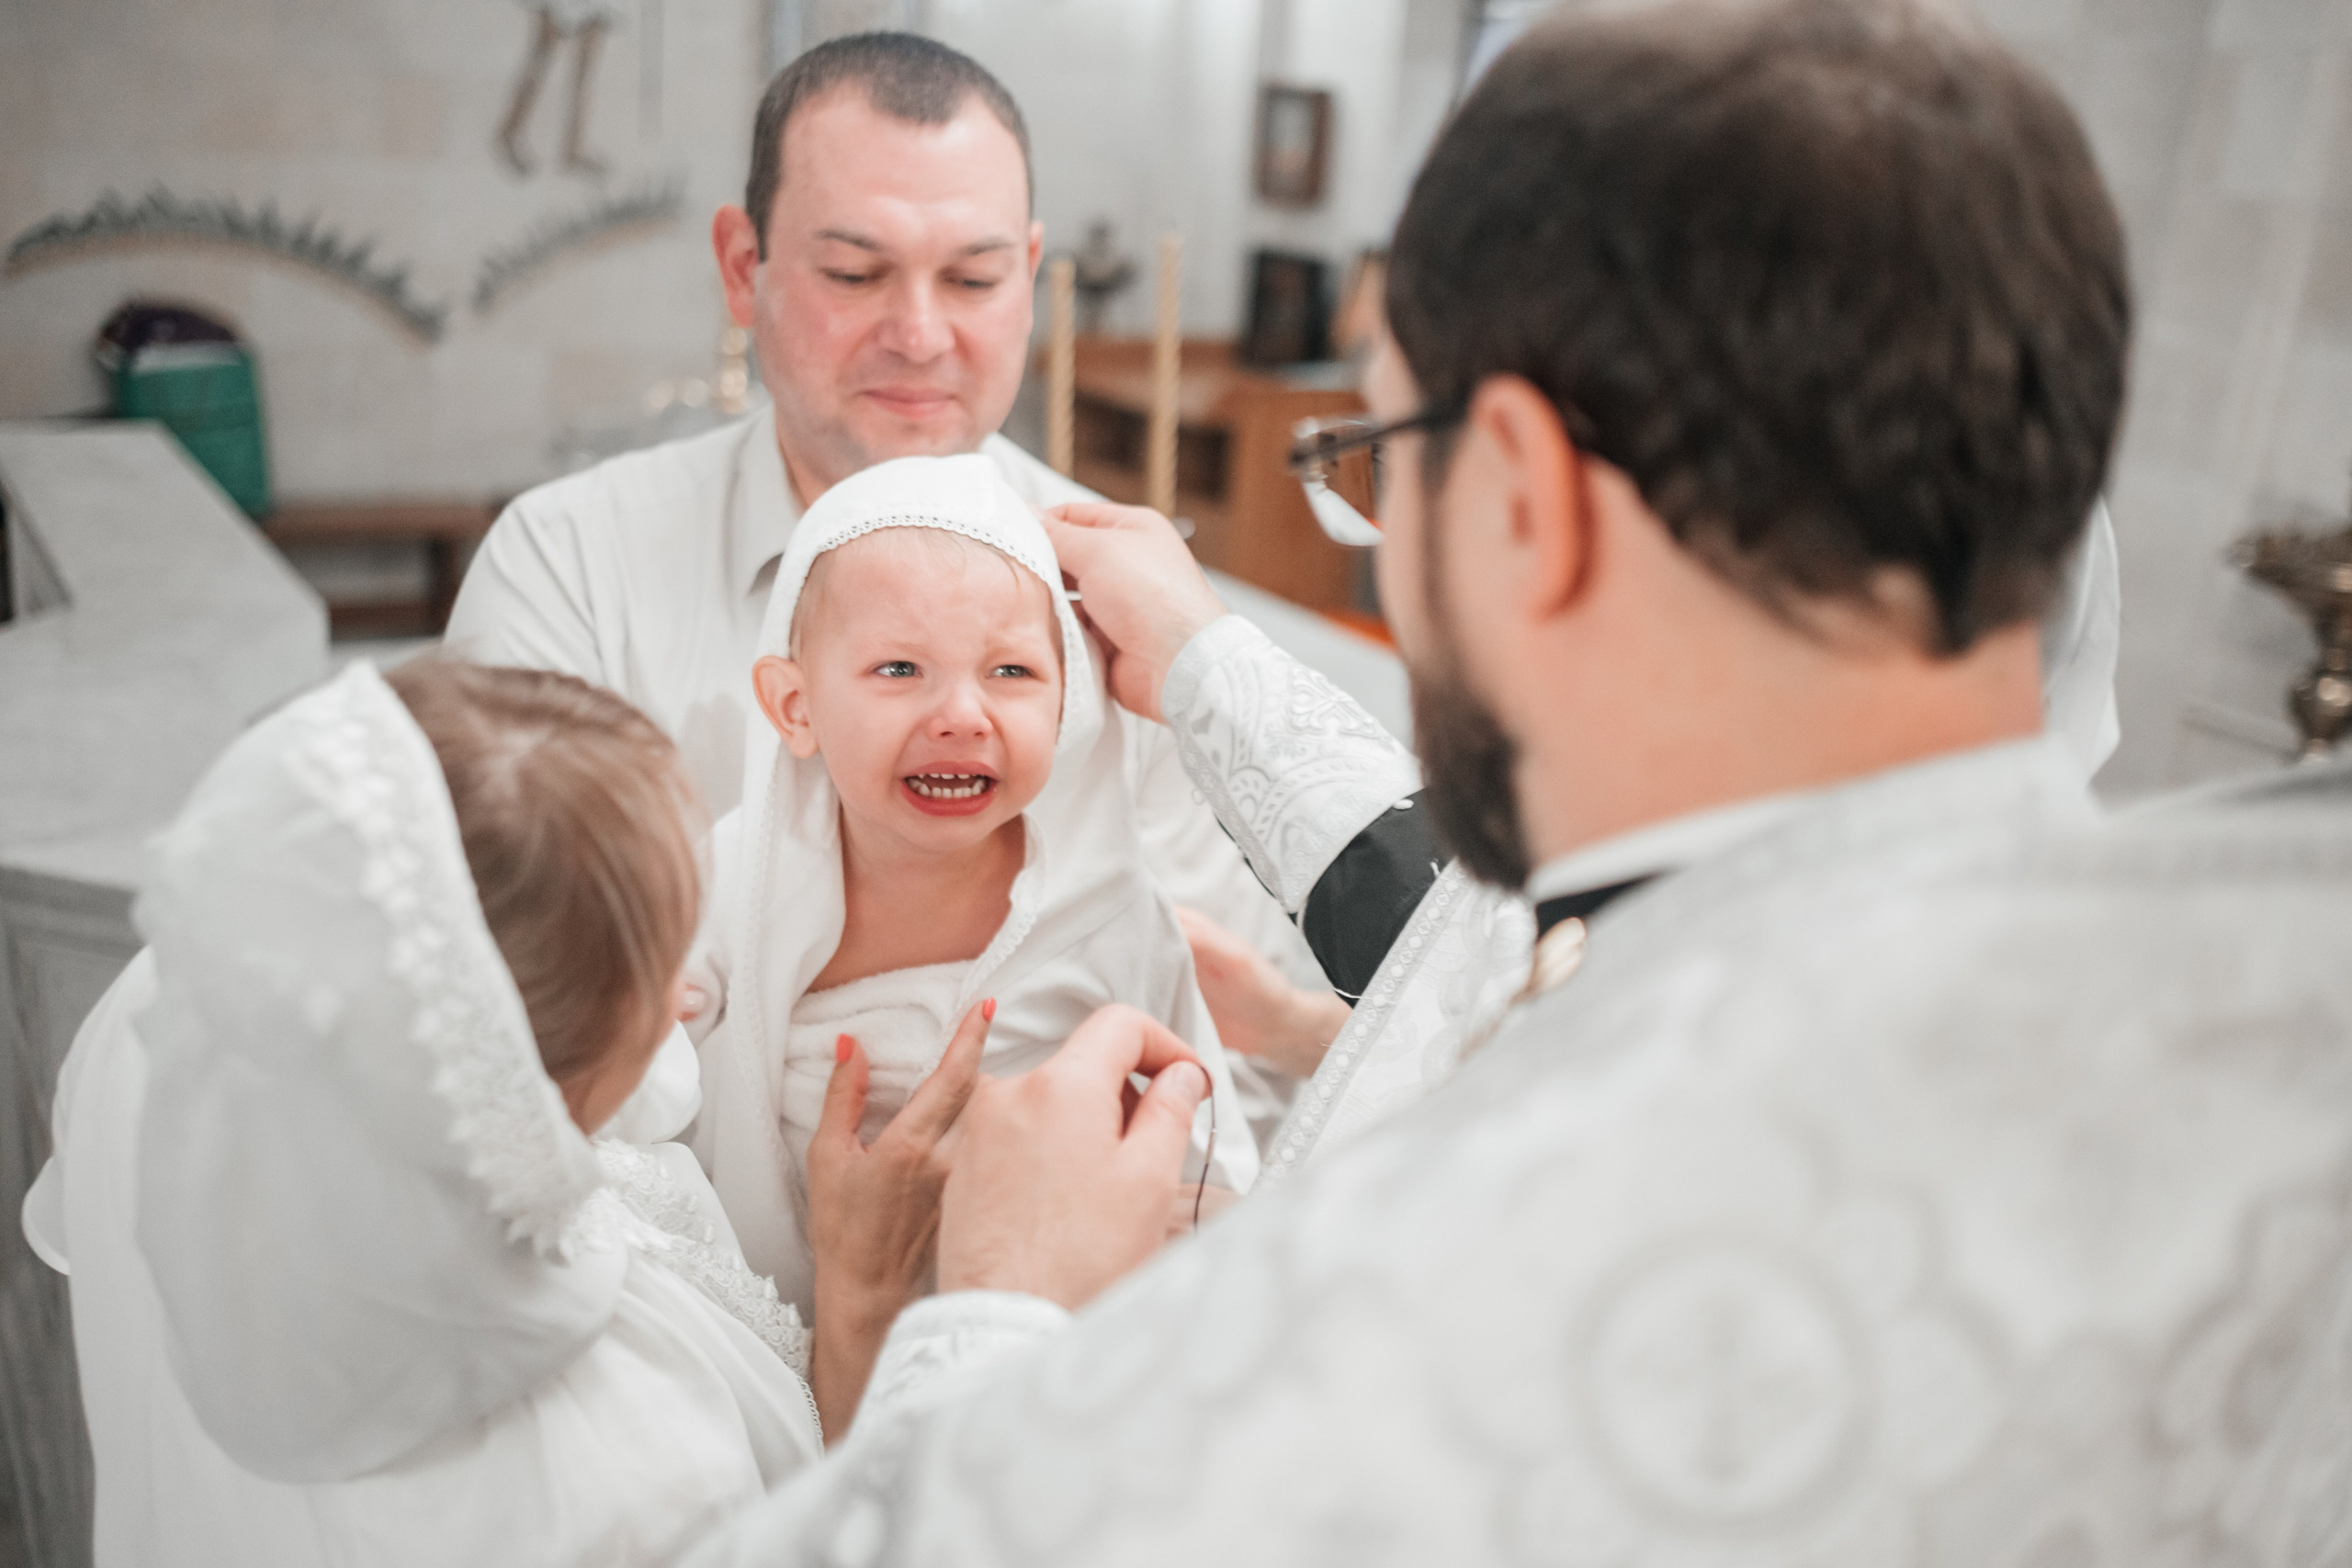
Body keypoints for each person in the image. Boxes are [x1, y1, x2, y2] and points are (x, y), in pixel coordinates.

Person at [676, 3, 2352, 1560]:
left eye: (1380, 461)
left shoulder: (1436, 1301)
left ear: (1531, 499)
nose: (1385, 543)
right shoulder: (2283, 1022)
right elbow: (1490, 932)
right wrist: (1207, 674)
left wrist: (998, 1310)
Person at [22, 660, 975, 1562]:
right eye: (662, 969)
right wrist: (861, 1302)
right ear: (527, 1056)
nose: (692, 996)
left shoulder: (182, 1017)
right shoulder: (623, 1471)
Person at [443, 30, 1318, 997]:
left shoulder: (1119, 596)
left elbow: (1220, 987)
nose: (918, 335)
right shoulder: (568, 563)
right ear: (744, 267)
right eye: (855, 274)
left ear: (1027, 278)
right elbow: (506, 999)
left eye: (974, 279)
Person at [686, 456, 1256, 1308]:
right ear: (795, 707)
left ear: (1069, 703)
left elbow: (1197, 1112)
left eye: (1011, 672)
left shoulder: (1106, 909)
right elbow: (645, 1031)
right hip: (798, 1303)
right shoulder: (736, 874)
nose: (962, 713)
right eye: (900, 670)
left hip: (1043, 1313)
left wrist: (1199, 1225)